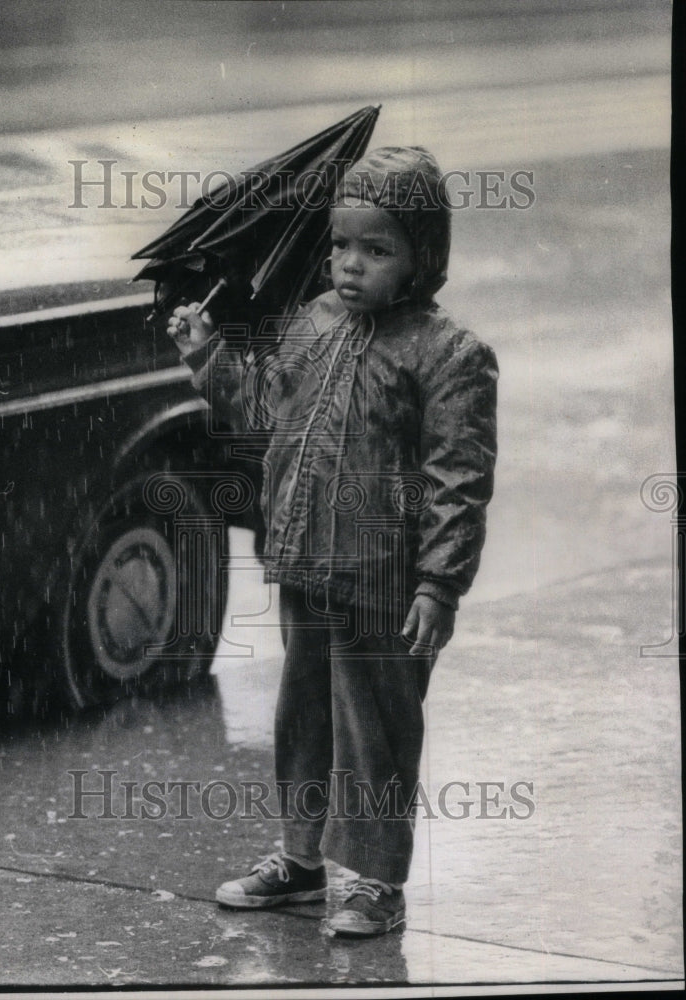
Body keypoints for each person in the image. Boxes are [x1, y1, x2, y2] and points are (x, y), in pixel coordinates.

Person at [167, 147, 498, 937]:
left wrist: (438, 583)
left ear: (424, 256)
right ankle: (302, 860)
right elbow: (263, 412)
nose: (350, 265)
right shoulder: (313, 320)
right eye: (340, 244)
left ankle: (377, 881)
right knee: (304, 720)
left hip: (384, 580)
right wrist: (206, 354)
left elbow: (458, 480)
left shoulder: (449, 355)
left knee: (376, 731)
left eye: (377, 249)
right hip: (303, 565)